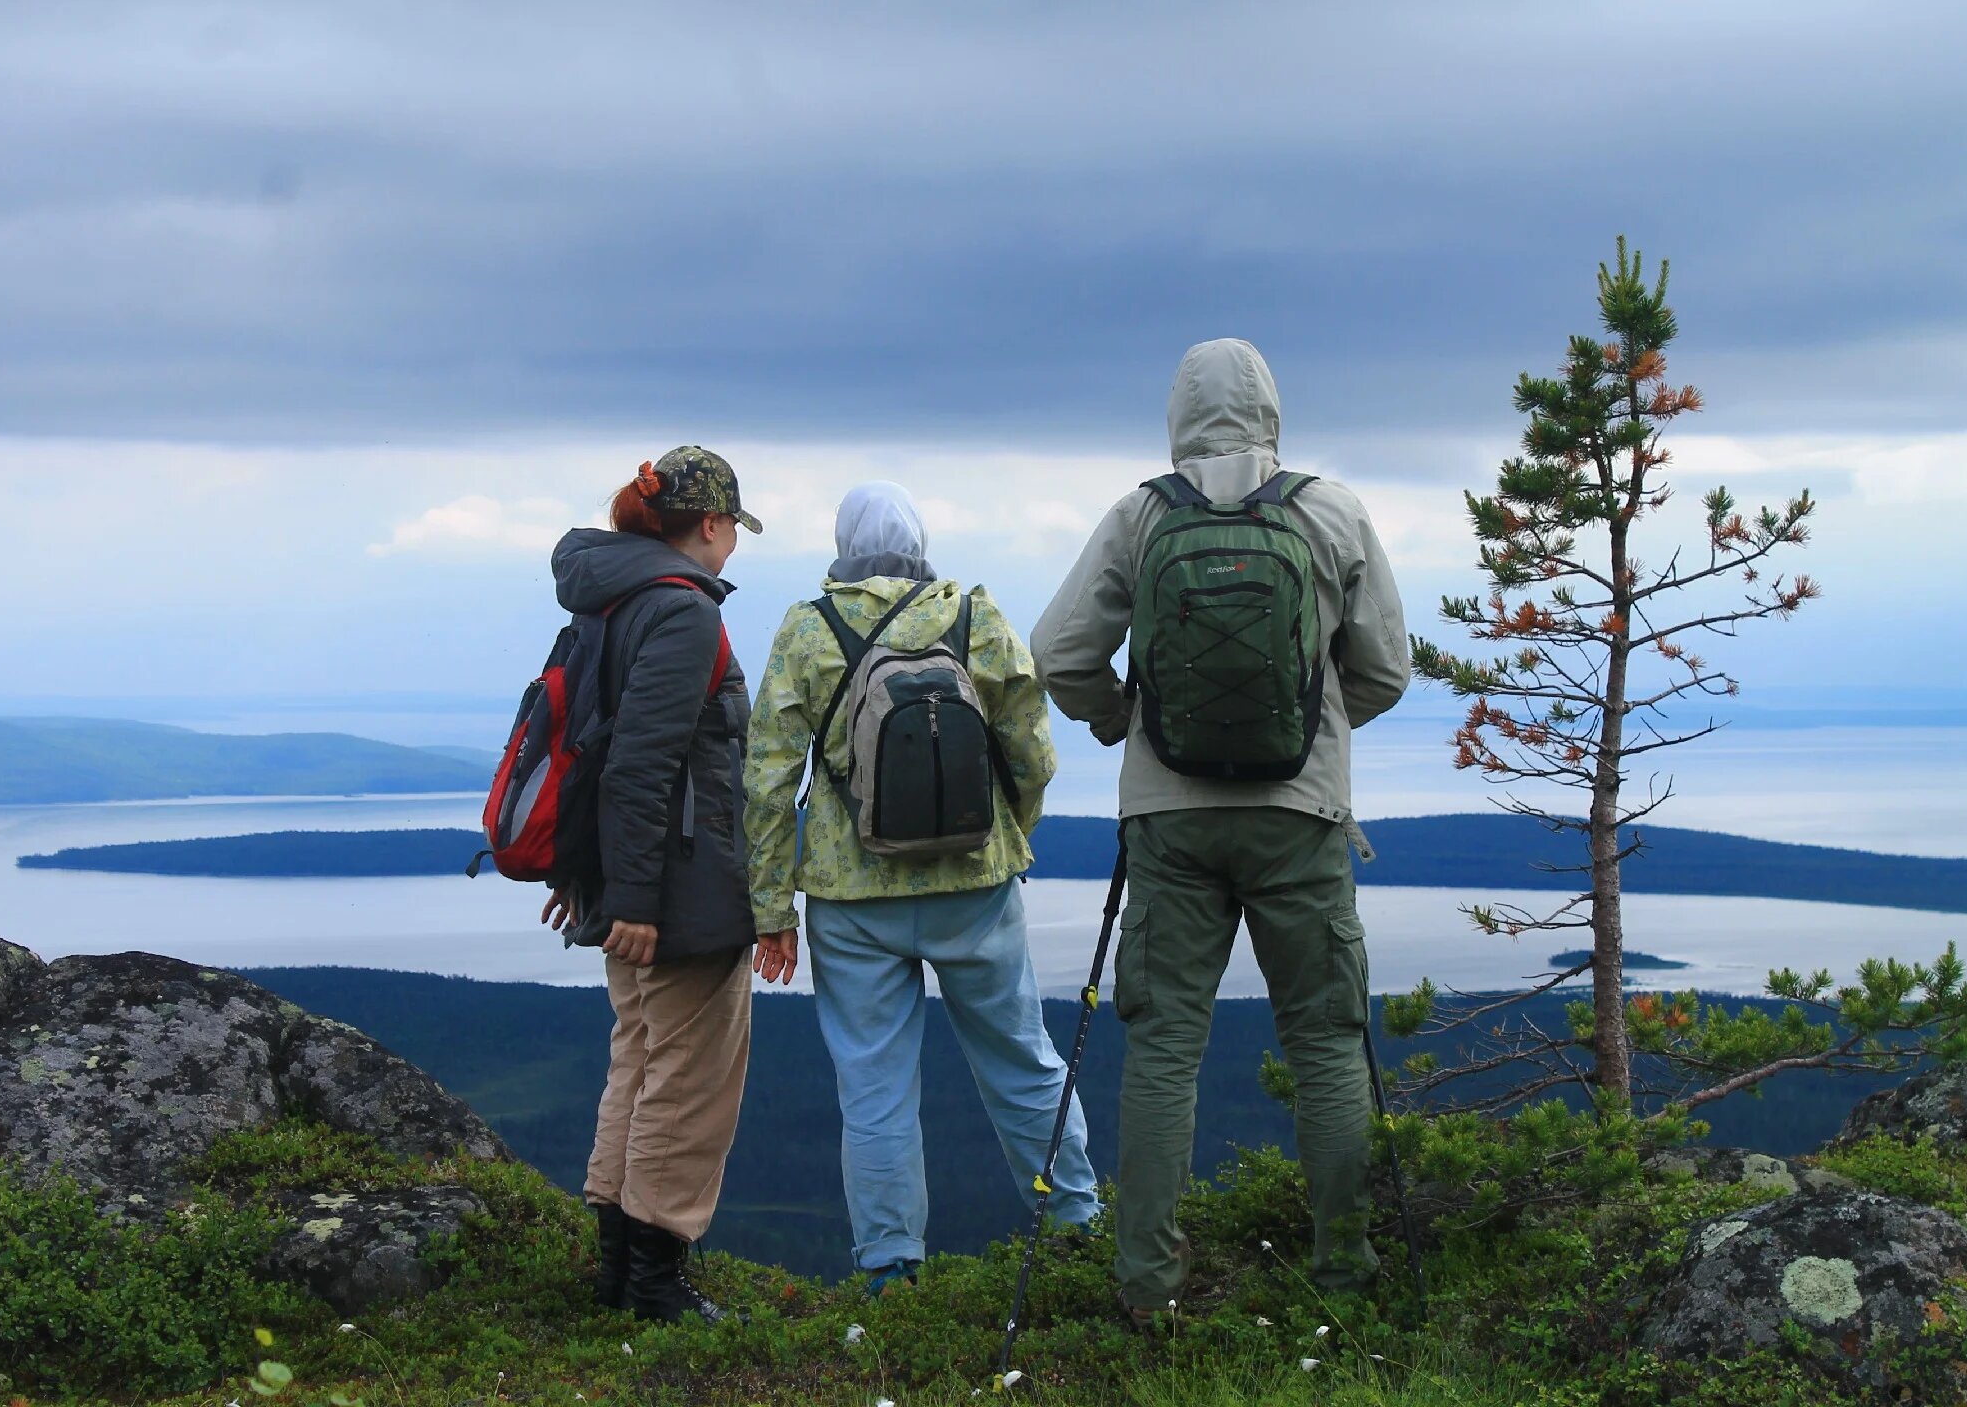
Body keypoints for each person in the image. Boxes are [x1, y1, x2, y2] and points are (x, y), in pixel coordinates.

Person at [1029, 338, 1410, 1325]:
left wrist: (1125, 721)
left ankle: (1148, 1291)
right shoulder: (1332, 510)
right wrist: (1314, 730)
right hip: (1302, 818)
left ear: (1179, 415)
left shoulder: (1142, 514)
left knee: (1163, 1051)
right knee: (1327, 1045)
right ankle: (1344, 1279)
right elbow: (1386, 671)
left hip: (1170, 820)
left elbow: (1057, 653)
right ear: (1273, 411)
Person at [742, 480, 1095, 1293]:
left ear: (844, 545)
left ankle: (890, 1269)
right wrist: (1011, 838)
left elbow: (764, 782)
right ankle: (1077, 1225)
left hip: (850, 896)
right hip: (974, 882)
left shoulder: (808, 627)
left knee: (873, 1087)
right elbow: (1033, 754)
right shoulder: (974, 615)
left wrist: (771, 909)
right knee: (1023, 1063)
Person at [545, 446, 763, 1324]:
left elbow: (580, 750)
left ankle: (616, 1270)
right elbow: (638, 764)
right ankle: (654, 1282)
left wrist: (585, 874)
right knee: (686, 1079)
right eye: (731, 529)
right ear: (709, 525)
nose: (732, 545)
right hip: (677, 890)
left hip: (628, 878)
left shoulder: (608, 600)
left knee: (637, 1063)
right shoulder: (682, 614)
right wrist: (635, 901)